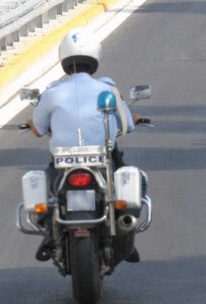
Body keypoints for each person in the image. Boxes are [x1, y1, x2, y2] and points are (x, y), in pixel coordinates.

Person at [26, 29, 146, 261]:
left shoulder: (52, 93)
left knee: (49, 190)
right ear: (94, 60)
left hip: (63, 163)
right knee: (135, 180)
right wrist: (136, 118)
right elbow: (127, 124)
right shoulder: (107, 89)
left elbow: (39, 130)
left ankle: (49, 231)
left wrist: (32, 124)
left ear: (63, 60)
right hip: (101, 159)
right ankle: (126, 226)